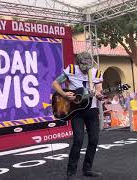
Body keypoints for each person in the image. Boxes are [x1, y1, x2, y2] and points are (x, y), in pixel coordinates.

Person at [52, 52, 103, 180]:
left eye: (88, 66)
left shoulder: (96, 73)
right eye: (84, 66)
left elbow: (98, 90)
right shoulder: (71, 69)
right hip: (76, 110)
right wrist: (63, 94)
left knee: (94, 140)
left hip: (92, 110)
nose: (86, 68)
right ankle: (71, 173)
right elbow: (55, 83)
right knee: (78, 140)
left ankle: (87, 169)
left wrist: (99, 95)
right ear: (79, 64)